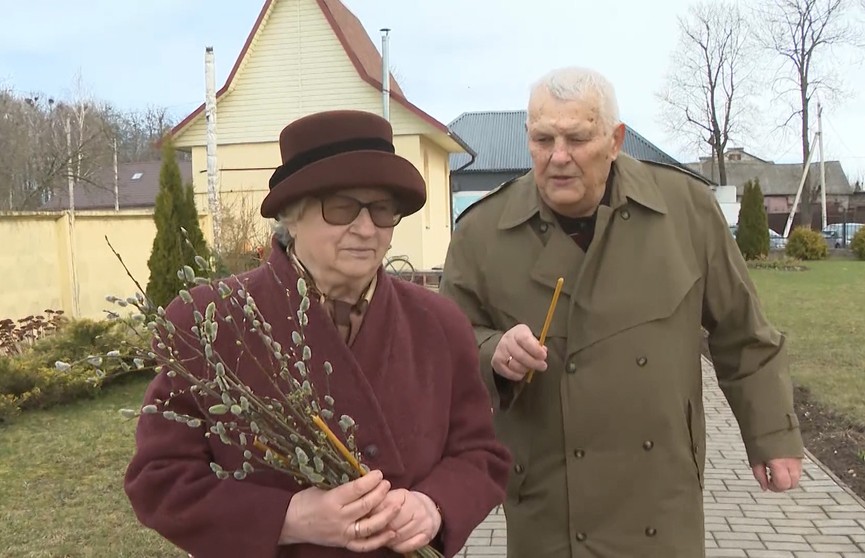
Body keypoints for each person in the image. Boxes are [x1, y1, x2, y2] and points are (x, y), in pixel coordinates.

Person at [438, 67, 804, 557]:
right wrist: (492, 352)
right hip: (550, 502)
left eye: (577, 137)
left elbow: (742, 332)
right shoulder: (483, 232)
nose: (558, 156)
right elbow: (444, 344)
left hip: (660, 498)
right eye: (543, 139)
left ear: (615, 140)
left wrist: (772, 434)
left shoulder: (685, 211)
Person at [124, 109, 511, 558]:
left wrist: (433, 506)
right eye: (342, 207)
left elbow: (481, 453)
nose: (366, 228)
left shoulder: (440, 324)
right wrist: (288, 518)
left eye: (382, 209)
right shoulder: (209, 325)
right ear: (292, 215)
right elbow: (159, 479)